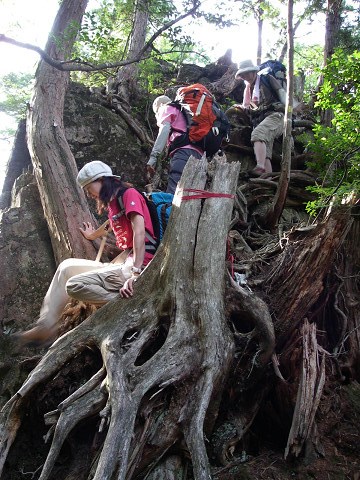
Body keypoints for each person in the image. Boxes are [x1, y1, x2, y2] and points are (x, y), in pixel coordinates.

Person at [17, 160, 155, 346]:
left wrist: (136, 273)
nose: (89, 194)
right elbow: (111, 224)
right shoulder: (114, 203)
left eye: (89, 187)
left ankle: (131, 306)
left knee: (74, 286)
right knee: (66, 267)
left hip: (140, 265)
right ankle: (45, 327)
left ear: (102, 180)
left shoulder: (129, 195)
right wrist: (93, 235)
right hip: (124, 262)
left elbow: (139, 232)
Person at [234, 59, 288, 175]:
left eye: (247, 73)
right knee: (266, 153)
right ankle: (266, 179)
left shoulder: (267, 79)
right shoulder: (249, 89)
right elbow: (249, 106)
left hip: (276, 116)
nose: (245, 76)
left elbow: (282, 93)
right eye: (242, 75)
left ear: (254, 71)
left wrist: (294, 108)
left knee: (258, 134)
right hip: (261, 120)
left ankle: (260, 167)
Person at [146, 95, 203, 194]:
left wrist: (153, 158)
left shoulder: (166, 108)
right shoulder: (184, 112)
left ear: (159, 106)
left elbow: (164, 131)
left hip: (183, 153)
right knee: (191, 194)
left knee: (175, 193)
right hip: (200, 154)